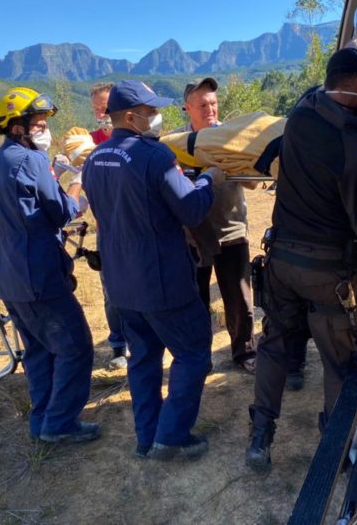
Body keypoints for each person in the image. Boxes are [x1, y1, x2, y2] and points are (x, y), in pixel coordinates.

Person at [245, 48, 357, 472]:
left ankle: (259, 439)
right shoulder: (352, 142)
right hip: (326, 272)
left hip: (280, 259)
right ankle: (336, 449)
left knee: (275, 346)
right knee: (339, 361)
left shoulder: (300, 118)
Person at [83, 80, 225, 461]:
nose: (156, 118)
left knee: (143, 358)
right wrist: (210, 179)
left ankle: (146, 437)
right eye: (150, 112)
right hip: (162, 280)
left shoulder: (95, 159)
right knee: (194, 352)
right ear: (130, 117)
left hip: (121, 282)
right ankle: (172, 436)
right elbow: (192, 209)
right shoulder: (155, 156)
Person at [0, 87, 99, 444]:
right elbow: (63, 212)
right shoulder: (30, 162)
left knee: (39, 349)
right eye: (39, 123)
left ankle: (42, 419)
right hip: (38, 275)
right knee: (75, 346)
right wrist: (76, 182)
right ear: (18, 128)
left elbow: (26, 206)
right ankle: (60, 423)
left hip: (8, 274)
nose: (44, 130)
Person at [182, 77, 257, 374]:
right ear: (188, 108)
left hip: (231, 231)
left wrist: (231, 165)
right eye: (202, 104)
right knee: (195, 300)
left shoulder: (232, 137)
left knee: (239, 299)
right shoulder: (177, 142)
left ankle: (244, 352)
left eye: (213, 102)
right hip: (192, 236)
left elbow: (252, 184)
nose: (210, 109)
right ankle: (201, 357)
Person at [89, 81, 128, 369]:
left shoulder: (135, 139)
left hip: (136, 228)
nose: (101, 114)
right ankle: (117, 346)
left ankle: (141, 341)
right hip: (106, 231)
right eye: (96, 109)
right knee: (111, 292)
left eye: (104, 107)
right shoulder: (89, 143)